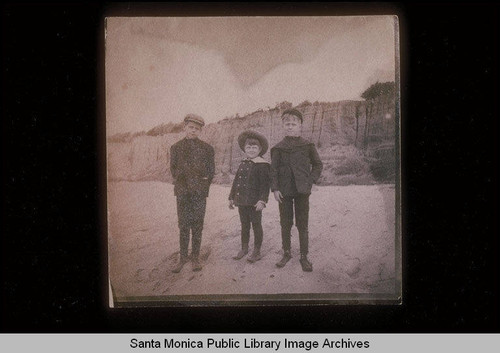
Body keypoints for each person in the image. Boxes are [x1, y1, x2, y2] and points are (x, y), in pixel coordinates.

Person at [270, 108, 323, 272]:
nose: (290, 126)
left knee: (302, 224)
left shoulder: (307, 145)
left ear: (300, 125)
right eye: (287, 124)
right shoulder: (278, 148)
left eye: (294, 123)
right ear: (283, 126)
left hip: (302, 191)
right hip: (284, 192)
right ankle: (286, 253)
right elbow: (273, 170)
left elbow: (318, 164)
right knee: (285, 223)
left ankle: (304, 256)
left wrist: (310, 181)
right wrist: (275, 189)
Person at [170, 114, 215, 273]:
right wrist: (182, 184)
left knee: (197, 224)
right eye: (191, 127)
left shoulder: (207, 149)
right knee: (183, 225)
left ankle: (195, 257)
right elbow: (173, 170)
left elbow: (211, 172)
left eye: (197, 128)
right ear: (185, 128)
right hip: (182, 193)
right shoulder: (175, 147)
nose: (193, 130)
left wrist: (201, 187)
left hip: (199, 194)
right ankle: (182, 258)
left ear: (201, 130)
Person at [229, 130, 271, 263]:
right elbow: (236, 182)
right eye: (248, 147)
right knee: (244, 225)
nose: (251, 150)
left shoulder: (262, 165)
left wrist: (262, 200)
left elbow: (265, 185)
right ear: (244, 149)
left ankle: (257, 251)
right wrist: (231, 197)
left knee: (256, 225)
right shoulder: (243, 163)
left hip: (254, 202)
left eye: (254, 148)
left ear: (260, 149)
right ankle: (244, 248)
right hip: (241, 201)